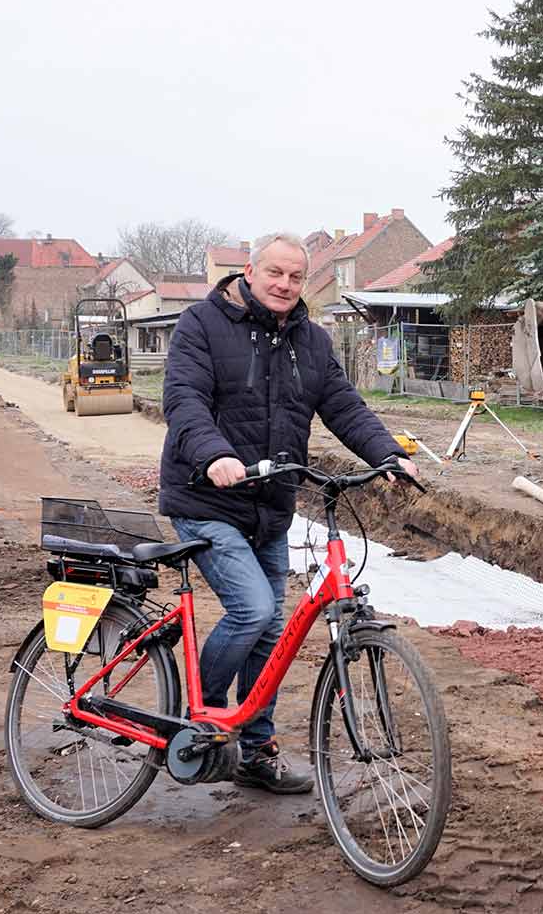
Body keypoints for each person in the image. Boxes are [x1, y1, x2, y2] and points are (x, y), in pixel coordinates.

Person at [157, 232, 417, 794]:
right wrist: (215, 454)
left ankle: (256, 751)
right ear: (249, 272)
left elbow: (344, 406)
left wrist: (388, 455)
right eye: (275, 273)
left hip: (272, 507)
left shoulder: (312, 341)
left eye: (295, 277)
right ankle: (207, 717)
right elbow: (183, 400)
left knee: (273, 631)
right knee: (252, 612)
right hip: (207, 498)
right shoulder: (200, 325)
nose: (284, 285)